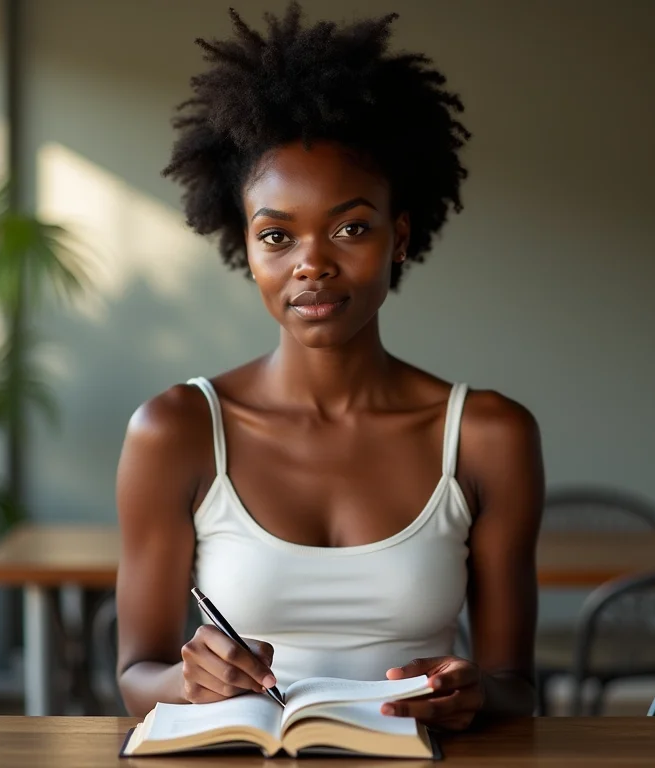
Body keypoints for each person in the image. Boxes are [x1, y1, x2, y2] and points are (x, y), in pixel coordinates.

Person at [116, 3, 543, 732]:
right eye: (277, 234)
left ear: (399, 236)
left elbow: (514, 687)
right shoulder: (176, 430)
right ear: (245, 247)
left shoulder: (487, 435)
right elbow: (135, 675)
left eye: (350, 228)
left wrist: (470, 693)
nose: (312, 262)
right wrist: (190, 680)